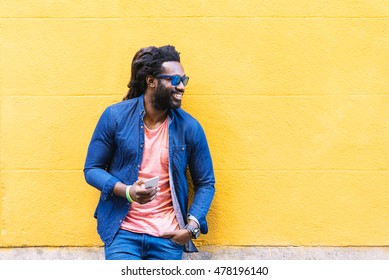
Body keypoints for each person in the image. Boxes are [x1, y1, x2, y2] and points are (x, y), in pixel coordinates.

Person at [84, 45, 215, 260]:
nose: (181, 87)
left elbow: (205, 183)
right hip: (123, 234)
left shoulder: (190, 128)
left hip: (168, 237)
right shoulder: (115, 116)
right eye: (174, 80)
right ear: (151, 81)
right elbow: (92, 169)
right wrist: (127, 191)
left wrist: (191, 228)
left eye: (184, 80)